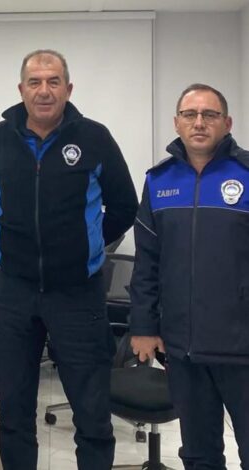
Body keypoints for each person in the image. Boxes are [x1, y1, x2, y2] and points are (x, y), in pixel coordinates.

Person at [0, 49, 138, 470]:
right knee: (13, 415)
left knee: (93, 416)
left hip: (78, 294)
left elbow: (124, 205)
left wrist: (86, 245)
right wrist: (13, 238)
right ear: (21, 89)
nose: (44, 91)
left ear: (68, 88)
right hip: (14, 291)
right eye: (35, 82)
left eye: (53, 81)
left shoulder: (94, 137)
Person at [130, 83, 249, 469]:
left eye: (210, 115)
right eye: (190, 114)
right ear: (177, 122)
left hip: (242, 346)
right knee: (198, 455)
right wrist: (143, 326)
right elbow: (146, 262)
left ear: (227, 123)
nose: (199, 122)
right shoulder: (159, 181)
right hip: (183, 349)